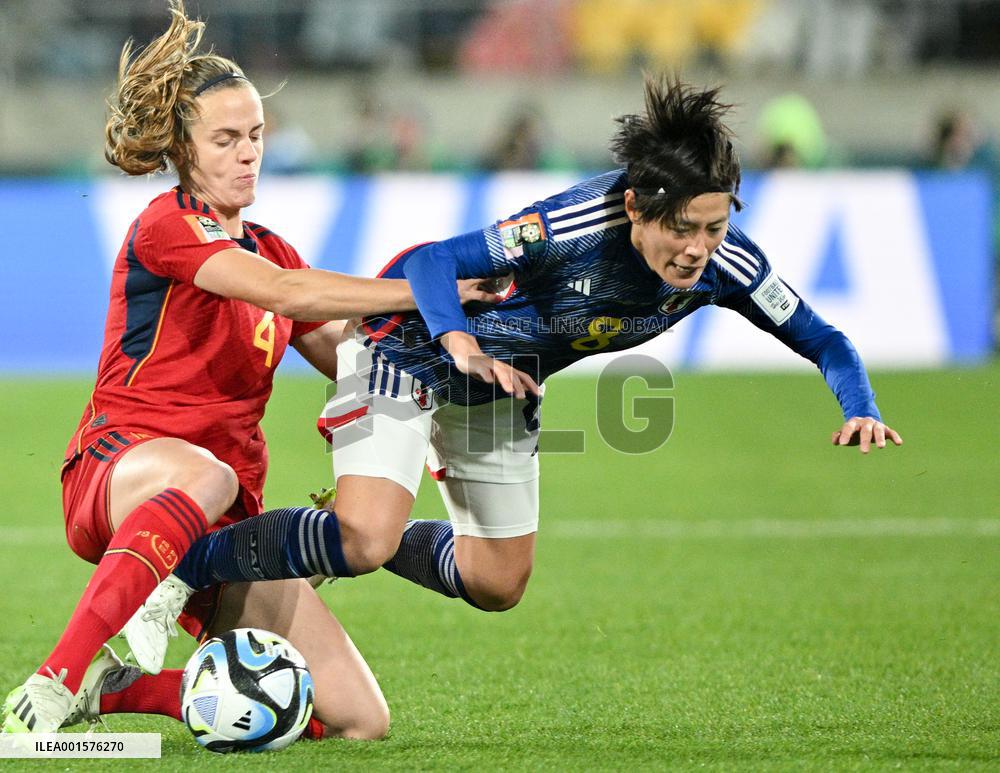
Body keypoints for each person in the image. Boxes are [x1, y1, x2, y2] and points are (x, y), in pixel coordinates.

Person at [126, 74, 903, 654]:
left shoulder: (727, 262)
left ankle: (337, 522)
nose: (700, 248)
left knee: (498, 582)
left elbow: (824, 337)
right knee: (362, 539)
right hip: (410, 341)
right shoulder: (567, 226)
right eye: (684, 228)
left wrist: (857, 402)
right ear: (635, 206)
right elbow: (433, 262)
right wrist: (459, 339)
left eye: (715, 224)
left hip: (503, 381)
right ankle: (186, 563)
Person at [0, 0, 495, 738]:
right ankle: (56, 675)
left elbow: (349, 355)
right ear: (183, 150)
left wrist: (459, 363)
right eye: (226, 139)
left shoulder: (274, 248)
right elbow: (289, 294)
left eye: (256, 135)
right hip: (121, 475)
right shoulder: (167, 227)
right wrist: (430, 289)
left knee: (357, 720)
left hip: (224, 527)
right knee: (209, 472)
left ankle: (116, 691)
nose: (247, 153)